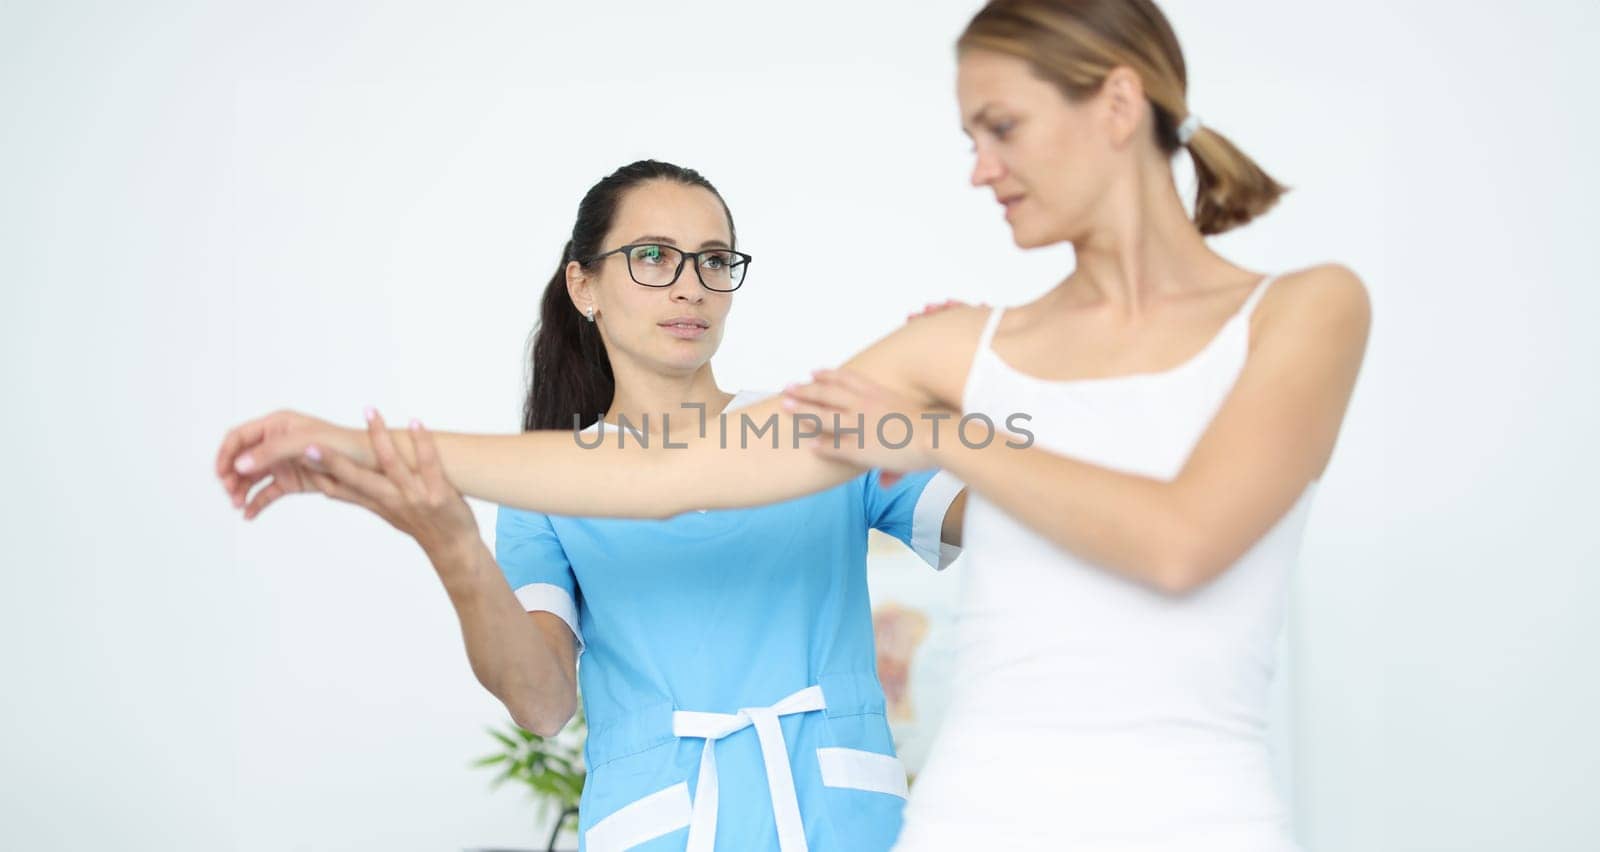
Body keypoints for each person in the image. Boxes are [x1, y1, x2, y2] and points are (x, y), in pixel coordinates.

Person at [219, 1, 1370, 848]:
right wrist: (371, 455)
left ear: (1117, 104)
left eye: (1000, 127)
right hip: (930, 808)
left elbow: (1132, 535)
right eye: (653, 258)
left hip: (1132, 803)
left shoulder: (1286, 312)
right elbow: (659, 484)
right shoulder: (926, 361)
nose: (977, 171)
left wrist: (952, 419)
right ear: (585, 283)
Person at [230, 159, 967, 852]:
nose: (691, 287)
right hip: (659, 829)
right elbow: (543, 705)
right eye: (653, 256)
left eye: (714, 259)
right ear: (583, 286)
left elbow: (1001, 518)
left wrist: (976, 381)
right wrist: (452, 544)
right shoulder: (547, 486)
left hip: (840, 821)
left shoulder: (822, 428)